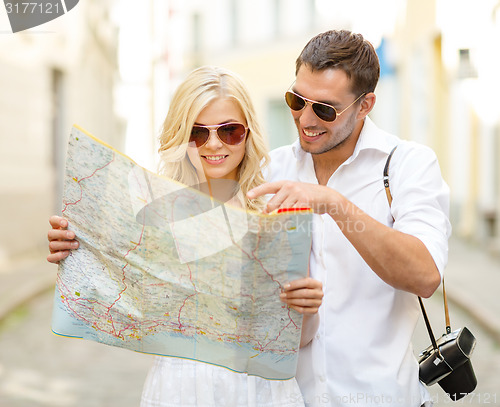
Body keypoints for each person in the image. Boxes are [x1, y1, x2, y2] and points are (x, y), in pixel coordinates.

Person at [47, 65, 323, 407]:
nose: (213, 144)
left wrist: (308, 310)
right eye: (197, 132)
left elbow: (299, 339)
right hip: (181, 390)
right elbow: (116, 300)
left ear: (248, 133)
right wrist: (75, 249)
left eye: (230, 131)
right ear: (181, 135)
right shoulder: (152, 215)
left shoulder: (275, 215)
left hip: (259, 391)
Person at [247, 30, 451, 407]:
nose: (305, 118)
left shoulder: (408, 165)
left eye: (324, 108)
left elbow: (424, 277)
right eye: (296, 100)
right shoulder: (271, 169)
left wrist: (334, 203)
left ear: (365, 104)